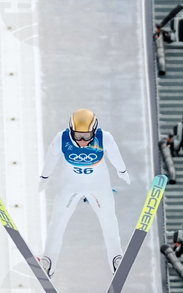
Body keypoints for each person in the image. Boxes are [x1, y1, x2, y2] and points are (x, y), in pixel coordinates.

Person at [37, 108, 131, 277]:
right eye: (77, 136)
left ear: (94, 131)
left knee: (108, 220)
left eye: (86, 136)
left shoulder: (104, 138)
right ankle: (49, 260)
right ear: (70, 131)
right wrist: (44, 177)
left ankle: (116, 257)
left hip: (98, 186)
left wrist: (122, 171)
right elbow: (51, 157)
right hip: (70, 186)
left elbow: (115, 156)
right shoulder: (62, 138)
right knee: (58, 221)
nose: (81, 141)